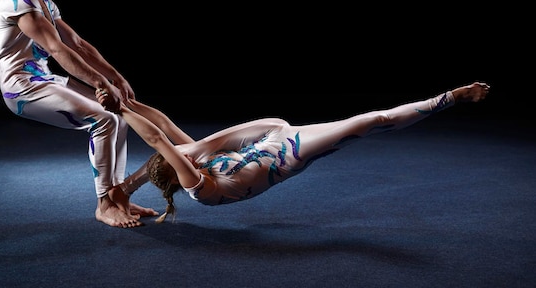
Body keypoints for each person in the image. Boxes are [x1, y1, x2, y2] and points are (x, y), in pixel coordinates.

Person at [95, 82, 491, 223]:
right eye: (183, 162)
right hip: (291, 153)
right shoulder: (201, 188)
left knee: (194, 143)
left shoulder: (200, 160)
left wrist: (125, 97)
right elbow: (159, 143)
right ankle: (449, 98)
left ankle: (124, 191)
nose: (188, 157)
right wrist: (121, 110)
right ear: (180, 175)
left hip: (274, 134)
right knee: (374, 120)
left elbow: (163, 128)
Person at [0, 0, 157, 228]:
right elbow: (56, 49)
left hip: (43, 79)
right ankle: (105, 204)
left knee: (117, 116)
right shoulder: (16, 0)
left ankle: (119, 198)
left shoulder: (42, 0)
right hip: (22, 88)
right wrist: (101, 83)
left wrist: (116, 76)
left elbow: (77, 44)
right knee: (103, 119)